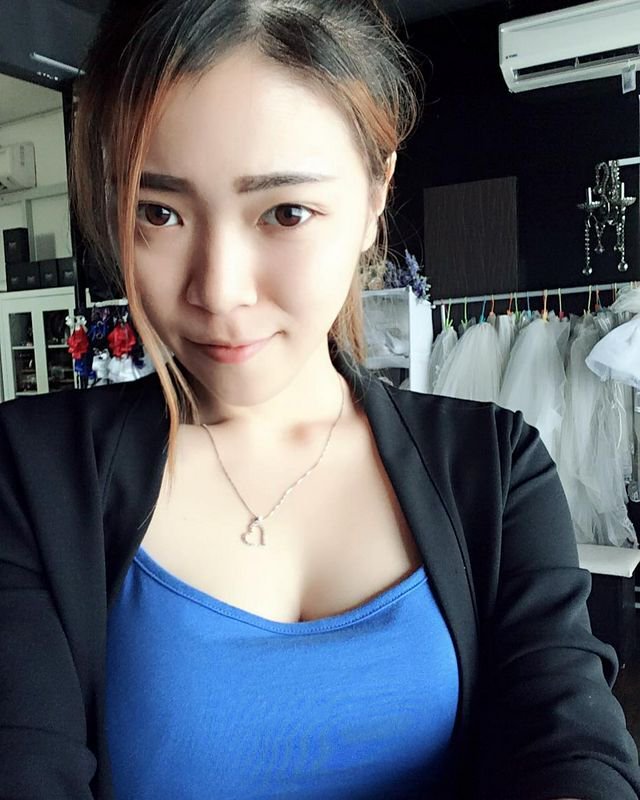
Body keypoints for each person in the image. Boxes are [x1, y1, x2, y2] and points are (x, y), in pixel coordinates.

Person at [0, 1, 639, 798]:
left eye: (286, 212)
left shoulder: (496, 468)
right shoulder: (32, 474)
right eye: (158, 213)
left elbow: (568, 739)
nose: (219, 291)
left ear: (374, 198)